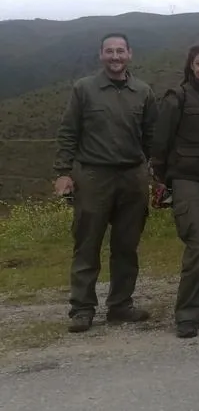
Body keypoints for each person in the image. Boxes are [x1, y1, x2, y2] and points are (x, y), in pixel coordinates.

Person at [53, 32, 158, 333]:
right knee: (87, 244)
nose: (115, 56)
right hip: (93, 176)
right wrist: (63, 172)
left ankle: (121, 305)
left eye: (120, 51)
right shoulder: (83, 89)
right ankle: (82, 309)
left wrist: (153, 170)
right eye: (109, 51)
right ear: (101, 55)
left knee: (127, 245)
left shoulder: (143, 91)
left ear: (130, 54)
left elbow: (151, 136)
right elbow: (68, 132)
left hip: (132, 177)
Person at [150, 43, 199, 338]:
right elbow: (160, 141)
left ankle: (198, 307)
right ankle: (185, 314)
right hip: (186, 178)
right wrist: (160, 178)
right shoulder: (178, 97)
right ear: (191, 66)